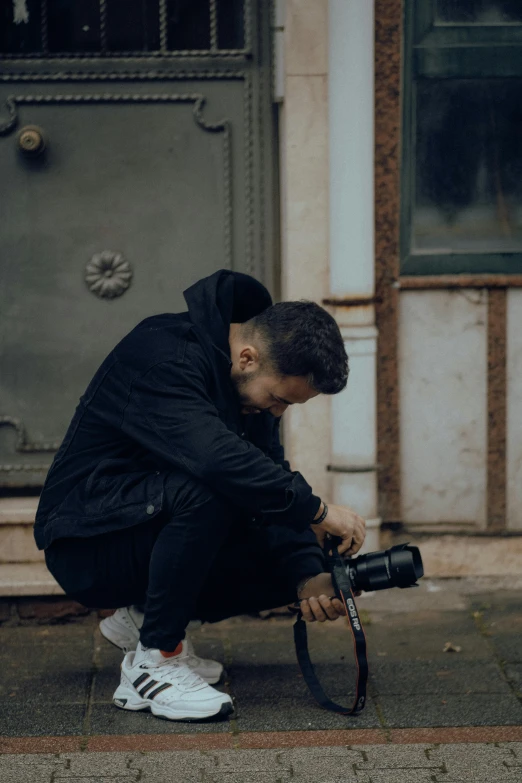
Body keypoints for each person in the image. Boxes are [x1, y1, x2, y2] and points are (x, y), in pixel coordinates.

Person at [35, 269, 366, 722]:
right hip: (86, 542)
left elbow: (267, 479)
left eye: (288, 405)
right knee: (212, 487)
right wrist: (319, 510)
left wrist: (308, 574)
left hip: (144, 525)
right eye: (278, 400)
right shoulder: (161, 355)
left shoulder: (247, 389)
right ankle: (155, 662)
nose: (278, 411)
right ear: (248, 357)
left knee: (280, 534)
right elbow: (215, 462)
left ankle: (141, 618)